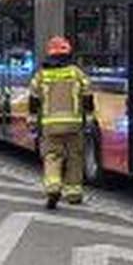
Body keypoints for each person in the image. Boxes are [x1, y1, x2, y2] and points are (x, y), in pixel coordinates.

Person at [28, 36, 94, 210]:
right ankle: (74, 193)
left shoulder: (41, 75)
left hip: (50, 126)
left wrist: (33, 121)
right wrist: (89, 117)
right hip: (74, 124)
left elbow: (33, 100)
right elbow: (87, 95)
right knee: (75, 157)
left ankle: (53, 187)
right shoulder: (76, 73)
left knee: (52, 156)